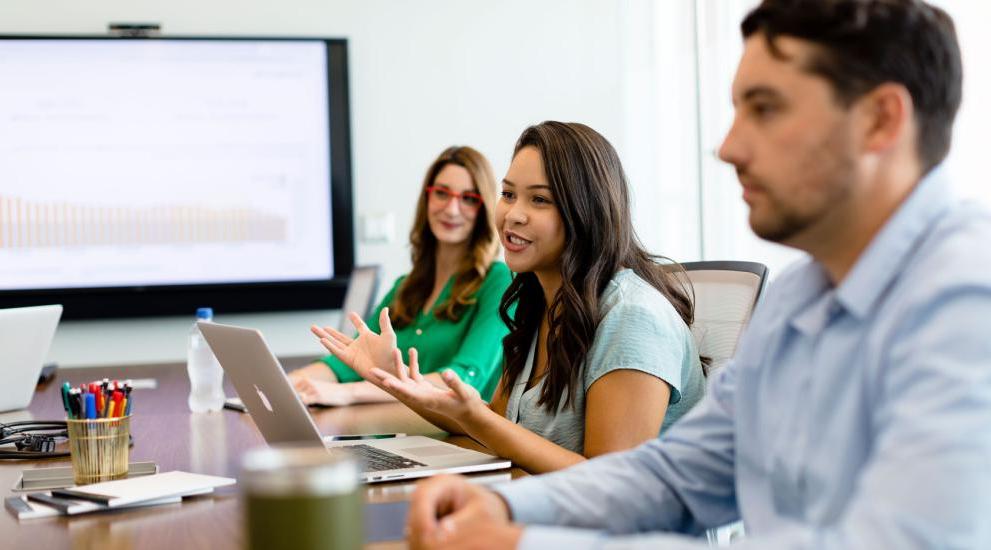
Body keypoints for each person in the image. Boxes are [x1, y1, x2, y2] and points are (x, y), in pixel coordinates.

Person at [402, 1, 991, 548]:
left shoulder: (966, 304)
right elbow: (678, 475)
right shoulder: (802, 294)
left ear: (879, 121)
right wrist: (509, 509)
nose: (728, 147)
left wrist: (528, 539)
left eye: (764, 109)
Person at [316, 121, 706, 474]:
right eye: (508, 194)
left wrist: (475, 419)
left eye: (539, 200)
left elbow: (610, 482)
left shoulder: (633, 318)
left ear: (587, 212)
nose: (512, 215)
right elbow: (497, 424)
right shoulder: (541, 302)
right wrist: (396, 381)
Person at [289, 146, 512, 405]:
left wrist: (349, 393)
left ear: (483, 207)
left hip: (451, 439)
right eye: (442, 193)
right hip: (395, 430)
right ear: (427, 199)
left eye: (469, 198)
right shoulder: (406, 287)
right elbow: (349, 363)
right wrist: (290, 383)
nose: (452, 209)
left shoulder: (499, 282)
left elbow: (463, 380)